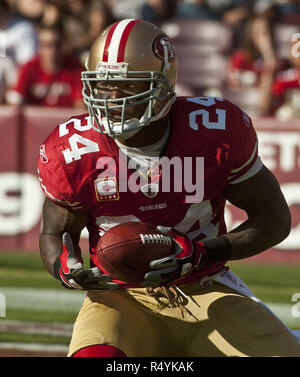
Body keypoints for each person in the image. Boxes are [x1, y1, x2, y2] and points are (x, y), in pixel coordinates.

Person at [37, 19, 300, 357]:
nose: (111, 98)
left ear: (163, 85)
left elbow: (274, 217)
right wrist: (63, 267)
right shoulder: (73, 149)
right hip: (121, 295)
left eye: (129, 86)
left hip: (206, 287)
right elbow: (53, 234)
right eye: (103, 85)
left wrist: (203, 252)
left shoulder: (213, 130)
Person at [6, 23, 84, 108]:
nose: (53, 50)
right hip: (34, 121)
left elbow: (80, 106)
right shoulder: (29, 67)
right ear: (39, 46)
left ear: (63, 45)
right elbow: (15, 102)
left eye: (57, 44)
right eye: (47, 45)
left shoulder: (75, 68)